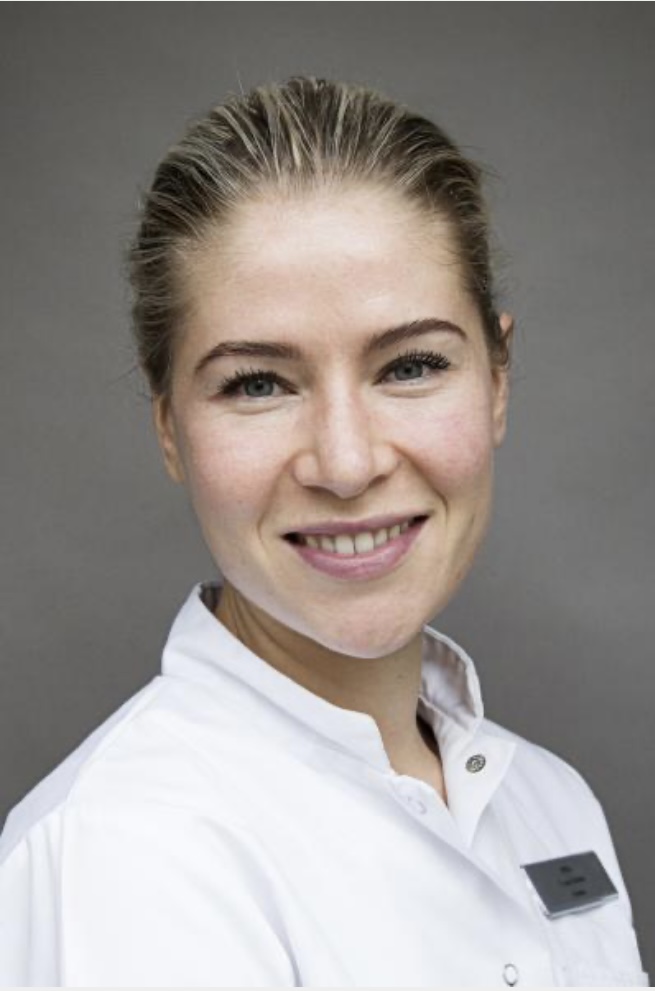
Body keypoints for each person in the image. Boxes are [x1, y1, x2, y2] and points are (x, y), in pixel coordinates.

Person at [0, 77, 647, 988]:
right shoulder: (124, 856)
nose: (345, 463)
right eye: (258, 383)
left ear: (497, 382)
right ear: (169, 427)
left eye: (410, 366)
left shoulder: (551, 803)